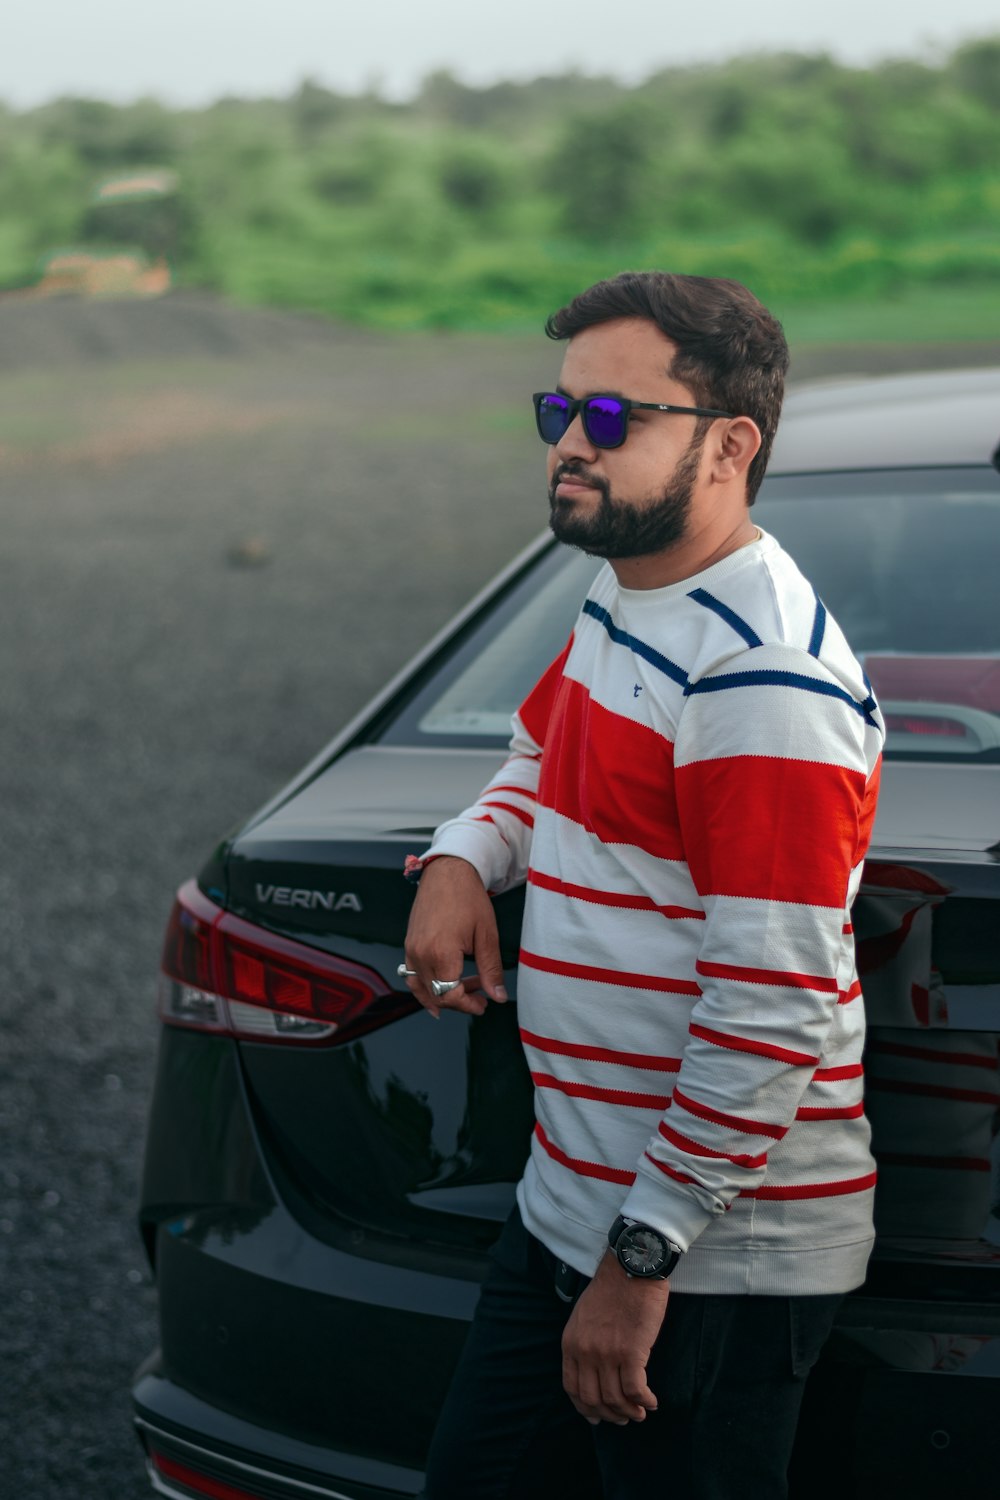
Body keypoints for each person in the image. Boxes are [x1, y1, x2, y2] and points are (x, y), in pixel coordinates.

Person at [400, 271, 884, 1500]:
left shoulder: (761, 677)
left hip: (701, 1267)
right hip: (570, 1207)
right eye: (557, 412)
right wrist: (463, 854)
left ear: (728, 445)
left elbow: (772, 1009)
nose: (569, 444)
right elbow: (536, 757)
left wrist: (637, 1266)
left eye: (612, 420)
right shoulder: (633, 594)